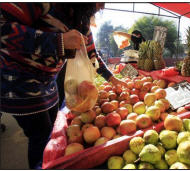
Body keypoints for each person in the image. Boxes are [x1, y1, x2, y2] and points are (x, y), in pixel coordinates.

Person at [0, 2, 126, 169]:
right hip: (18, 82)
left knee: (54, 133)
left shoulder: (81, 18)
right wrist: (57, 41)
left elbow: (90, 53)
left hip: (49, 83)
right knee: (41, 138)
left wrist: (112, 78)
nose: (102, 6)